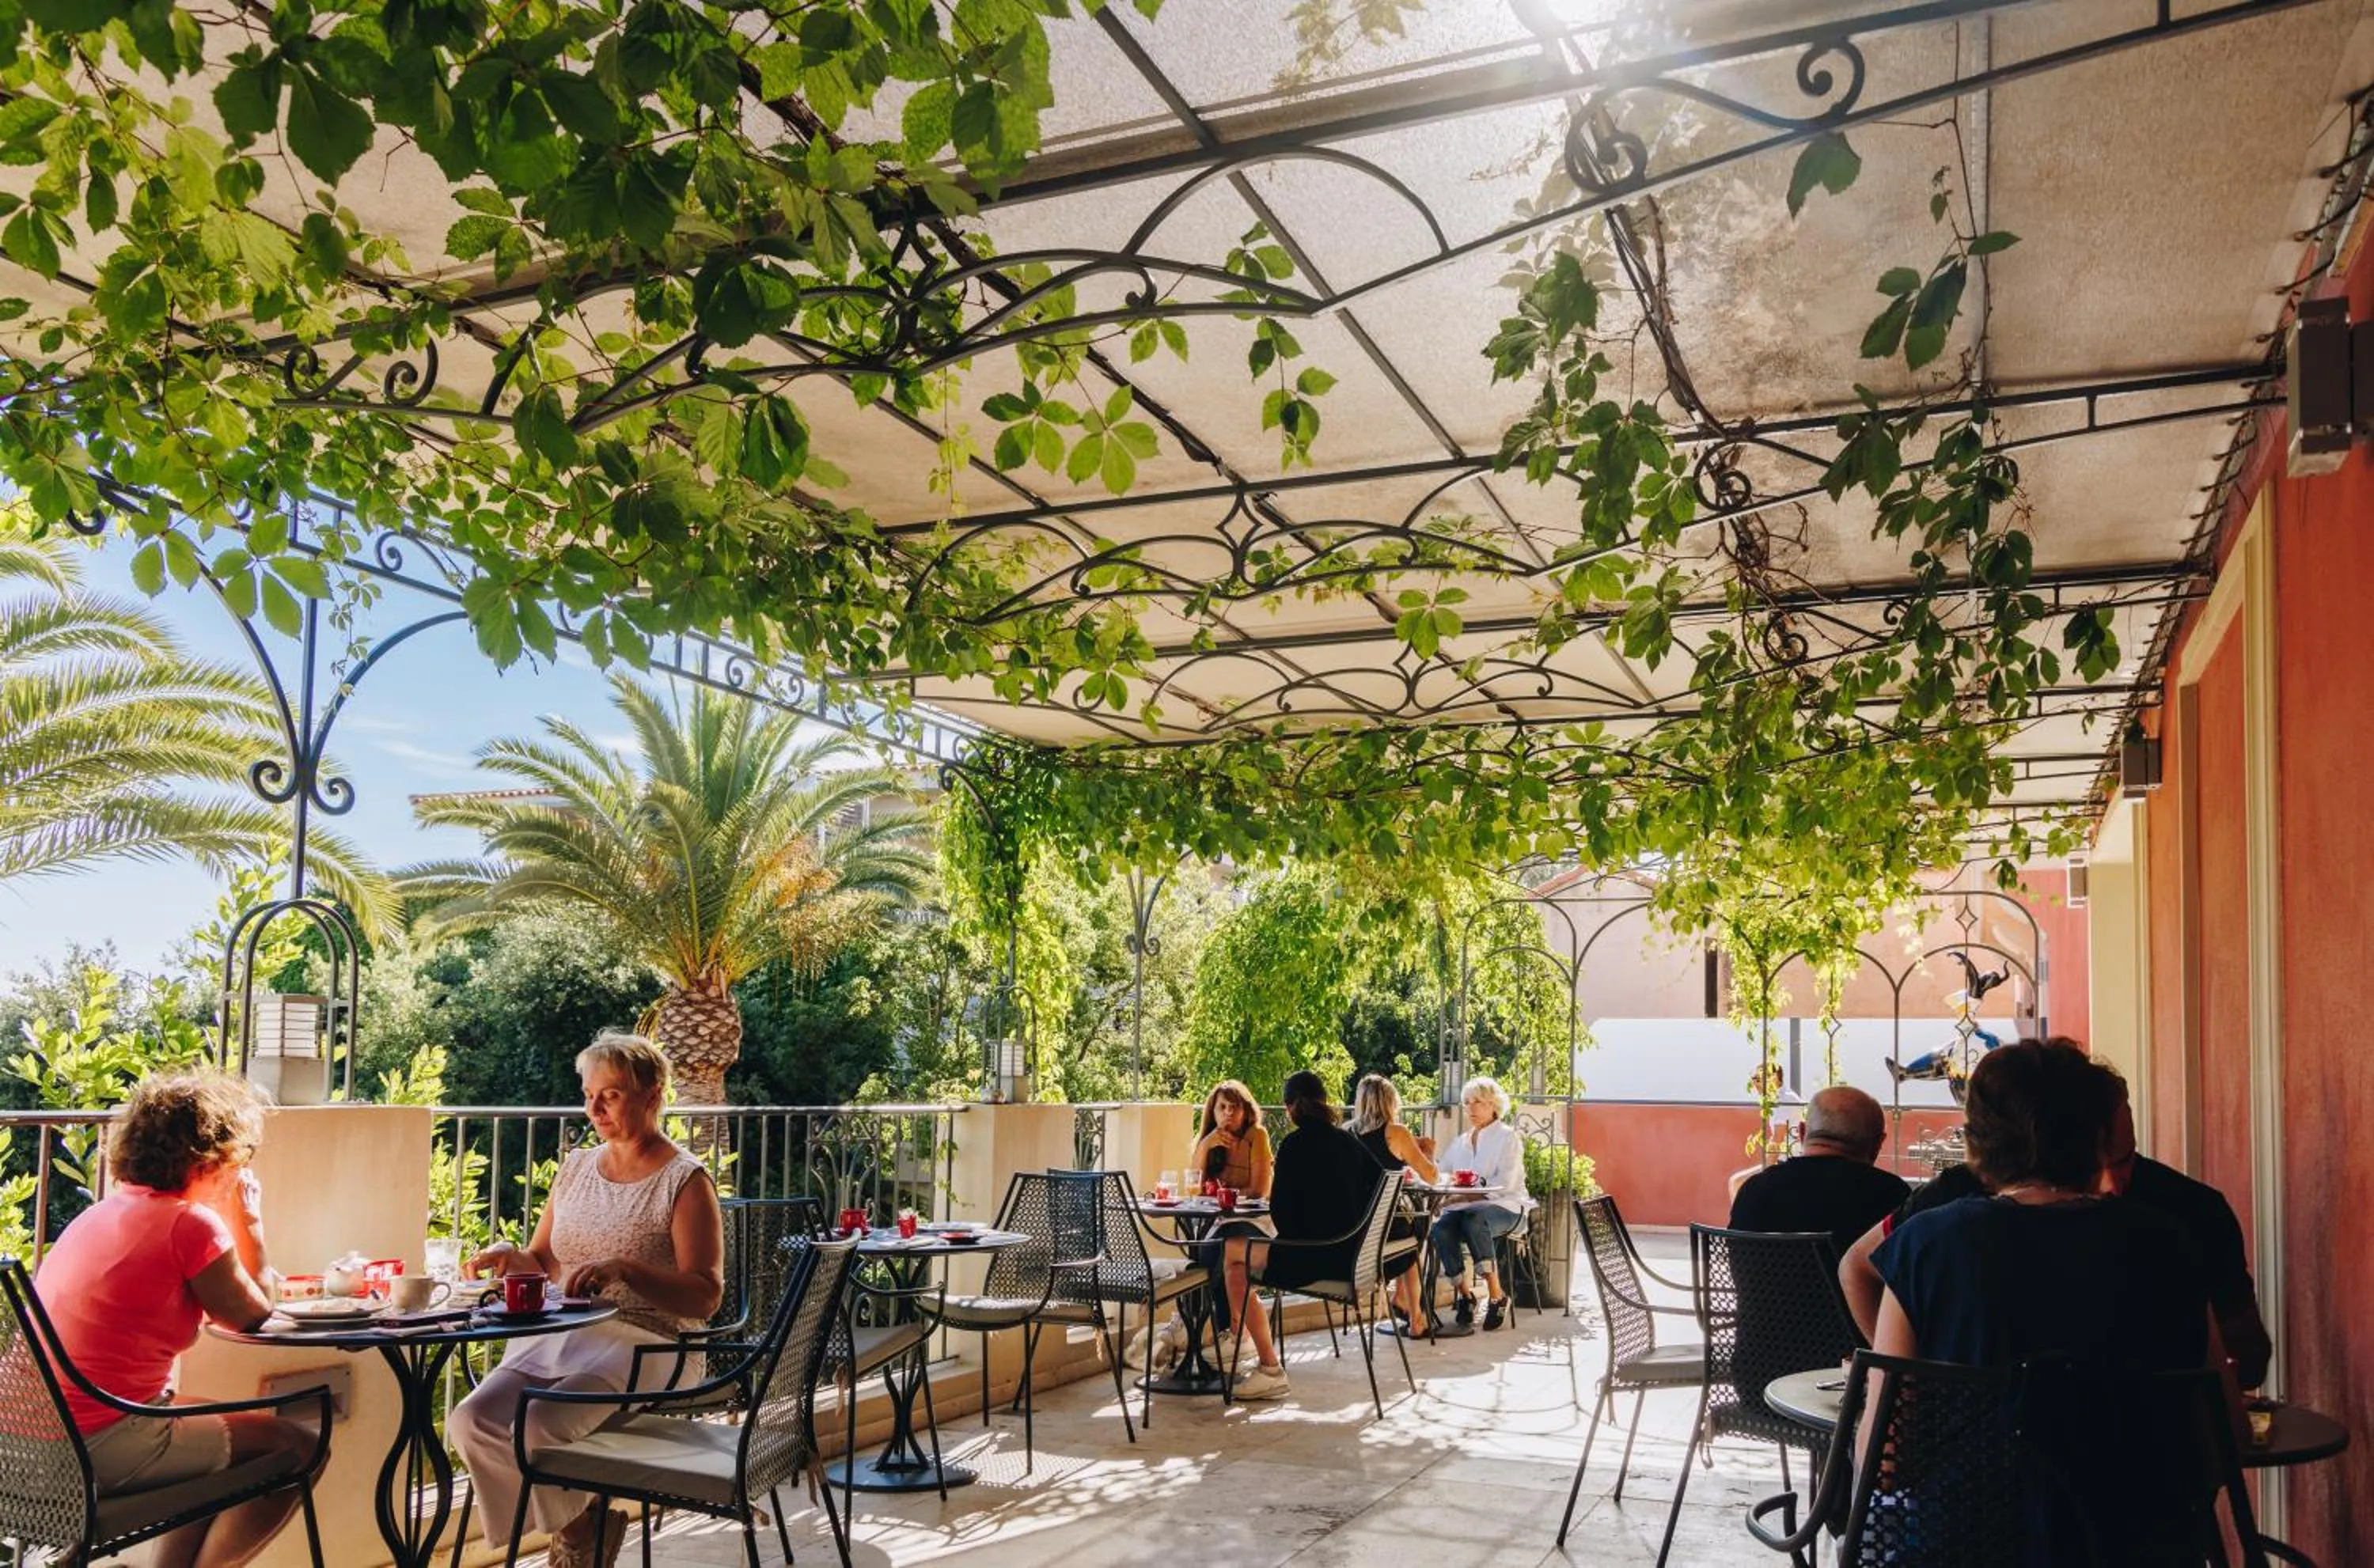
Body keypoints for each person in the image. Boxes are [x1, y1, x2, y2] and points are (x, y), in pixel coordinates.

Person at [1866, 1040, 2217, 1562]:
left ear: (1976, 1145)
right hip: (2137, 1547)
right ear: (2096, 1138)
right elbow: (2219, 1436)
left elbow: (1884, 1460)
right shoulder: (2169, 1244)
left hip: (1967, 1545)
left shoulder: (1929, 1245)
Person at [448, 1033, 724, 1568]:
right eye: (588, 1094)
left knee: (538, 1425)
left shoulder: (684, 1181)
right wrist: (512, 1255)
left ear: (653, 1095)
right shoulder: (576, 1168)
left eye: (611, 1095)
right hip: (566, 1334)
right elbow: (546, 1261)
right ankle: (583, 1528)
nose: (594, 1108)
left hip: (651, 1343)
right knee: (471, 1421)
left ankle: (575, 1548)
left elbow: (706, 1296)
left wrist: (627, 1271)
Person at [1840, 1048, 2272, 1386]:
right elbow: (1858, 1268)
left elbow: (2249, 1359)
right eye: (2094, 1162)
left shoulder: (2190, 1215)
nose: (2107, 1184)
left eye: (2123, 1161)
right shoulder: (2171, 1239)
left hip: (1984, 1486)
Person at [33, 1072, 323, 1568]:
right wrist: (250, 1225)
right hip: (96, 1442)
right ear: (212, 1157)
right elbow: (253, 1316)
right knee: (300, 1448)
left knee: (211, 1447)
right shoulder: (188, 1224)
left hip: (26, 1441)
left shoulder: (101, 1213)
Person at [1212, 1070, 1379, 1402]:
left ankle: (1264, 1361)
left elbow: (1282, 1215)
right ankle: (1246, 1341)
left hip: (1310, 1257)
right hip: (1351, 1257)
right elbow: (1376, 1186)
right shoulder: (1350, 1142)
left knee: (1231, 1252)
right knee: (1242, 1262)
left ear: (1290, 1108)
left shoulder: (1293, 1145)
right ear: (1325, 1103)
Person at [1727, 1085, 1909, 1261]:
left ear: (1802, 1132)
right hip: (1848, 1293)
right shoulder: (1891, 1197)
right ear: (1877, 1144)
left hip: (1762, 1293)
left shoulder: (1752, 1191)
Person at [1429, 1075, 1530, 1333]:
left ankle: (1497, 1297)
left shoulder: (1508, 1138)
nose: (1471, 1108)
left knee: (1475, 1221)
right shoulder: (1461, 1141)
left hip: (1507, 1208)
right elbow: (1443, 1172)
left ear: (1494, 1105)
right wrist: (1426, 1163)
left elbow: (1505, 1184)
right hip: (1466, 1211)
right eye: (1467, 1102)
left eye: (1478, 1102)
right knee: (1441, 1229)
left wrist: (1463, 1197)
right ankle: (1465, 1295)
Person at [1346, 1074, 1436, 1338]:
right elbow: (1431, 1177)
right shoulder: (1395, 1132)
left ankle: (1402, 1299)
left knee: (1409, 1228)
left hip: (1353, 1227)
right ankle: (1415, 1315)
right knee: (1419, 1227)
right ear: (1390, 1102)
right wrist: (1427, 1152)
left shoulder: (1346, 1131)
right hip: (1385, 1226)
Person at [1190, 1078, 1273, 1199]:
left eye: (1235, 1107)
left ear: (1245, 1111)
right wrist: (1204, 1146)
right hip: (1211, 1213)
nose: (1229, 1112)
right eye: (1222, 1107)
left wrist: (1223, 1196)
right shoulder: (1207, 1139)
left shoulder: (1257, 1135)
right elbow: (1195, 1189)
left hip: (1248, 1214)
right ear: (1213, 1112)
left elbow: (1259, 1191)